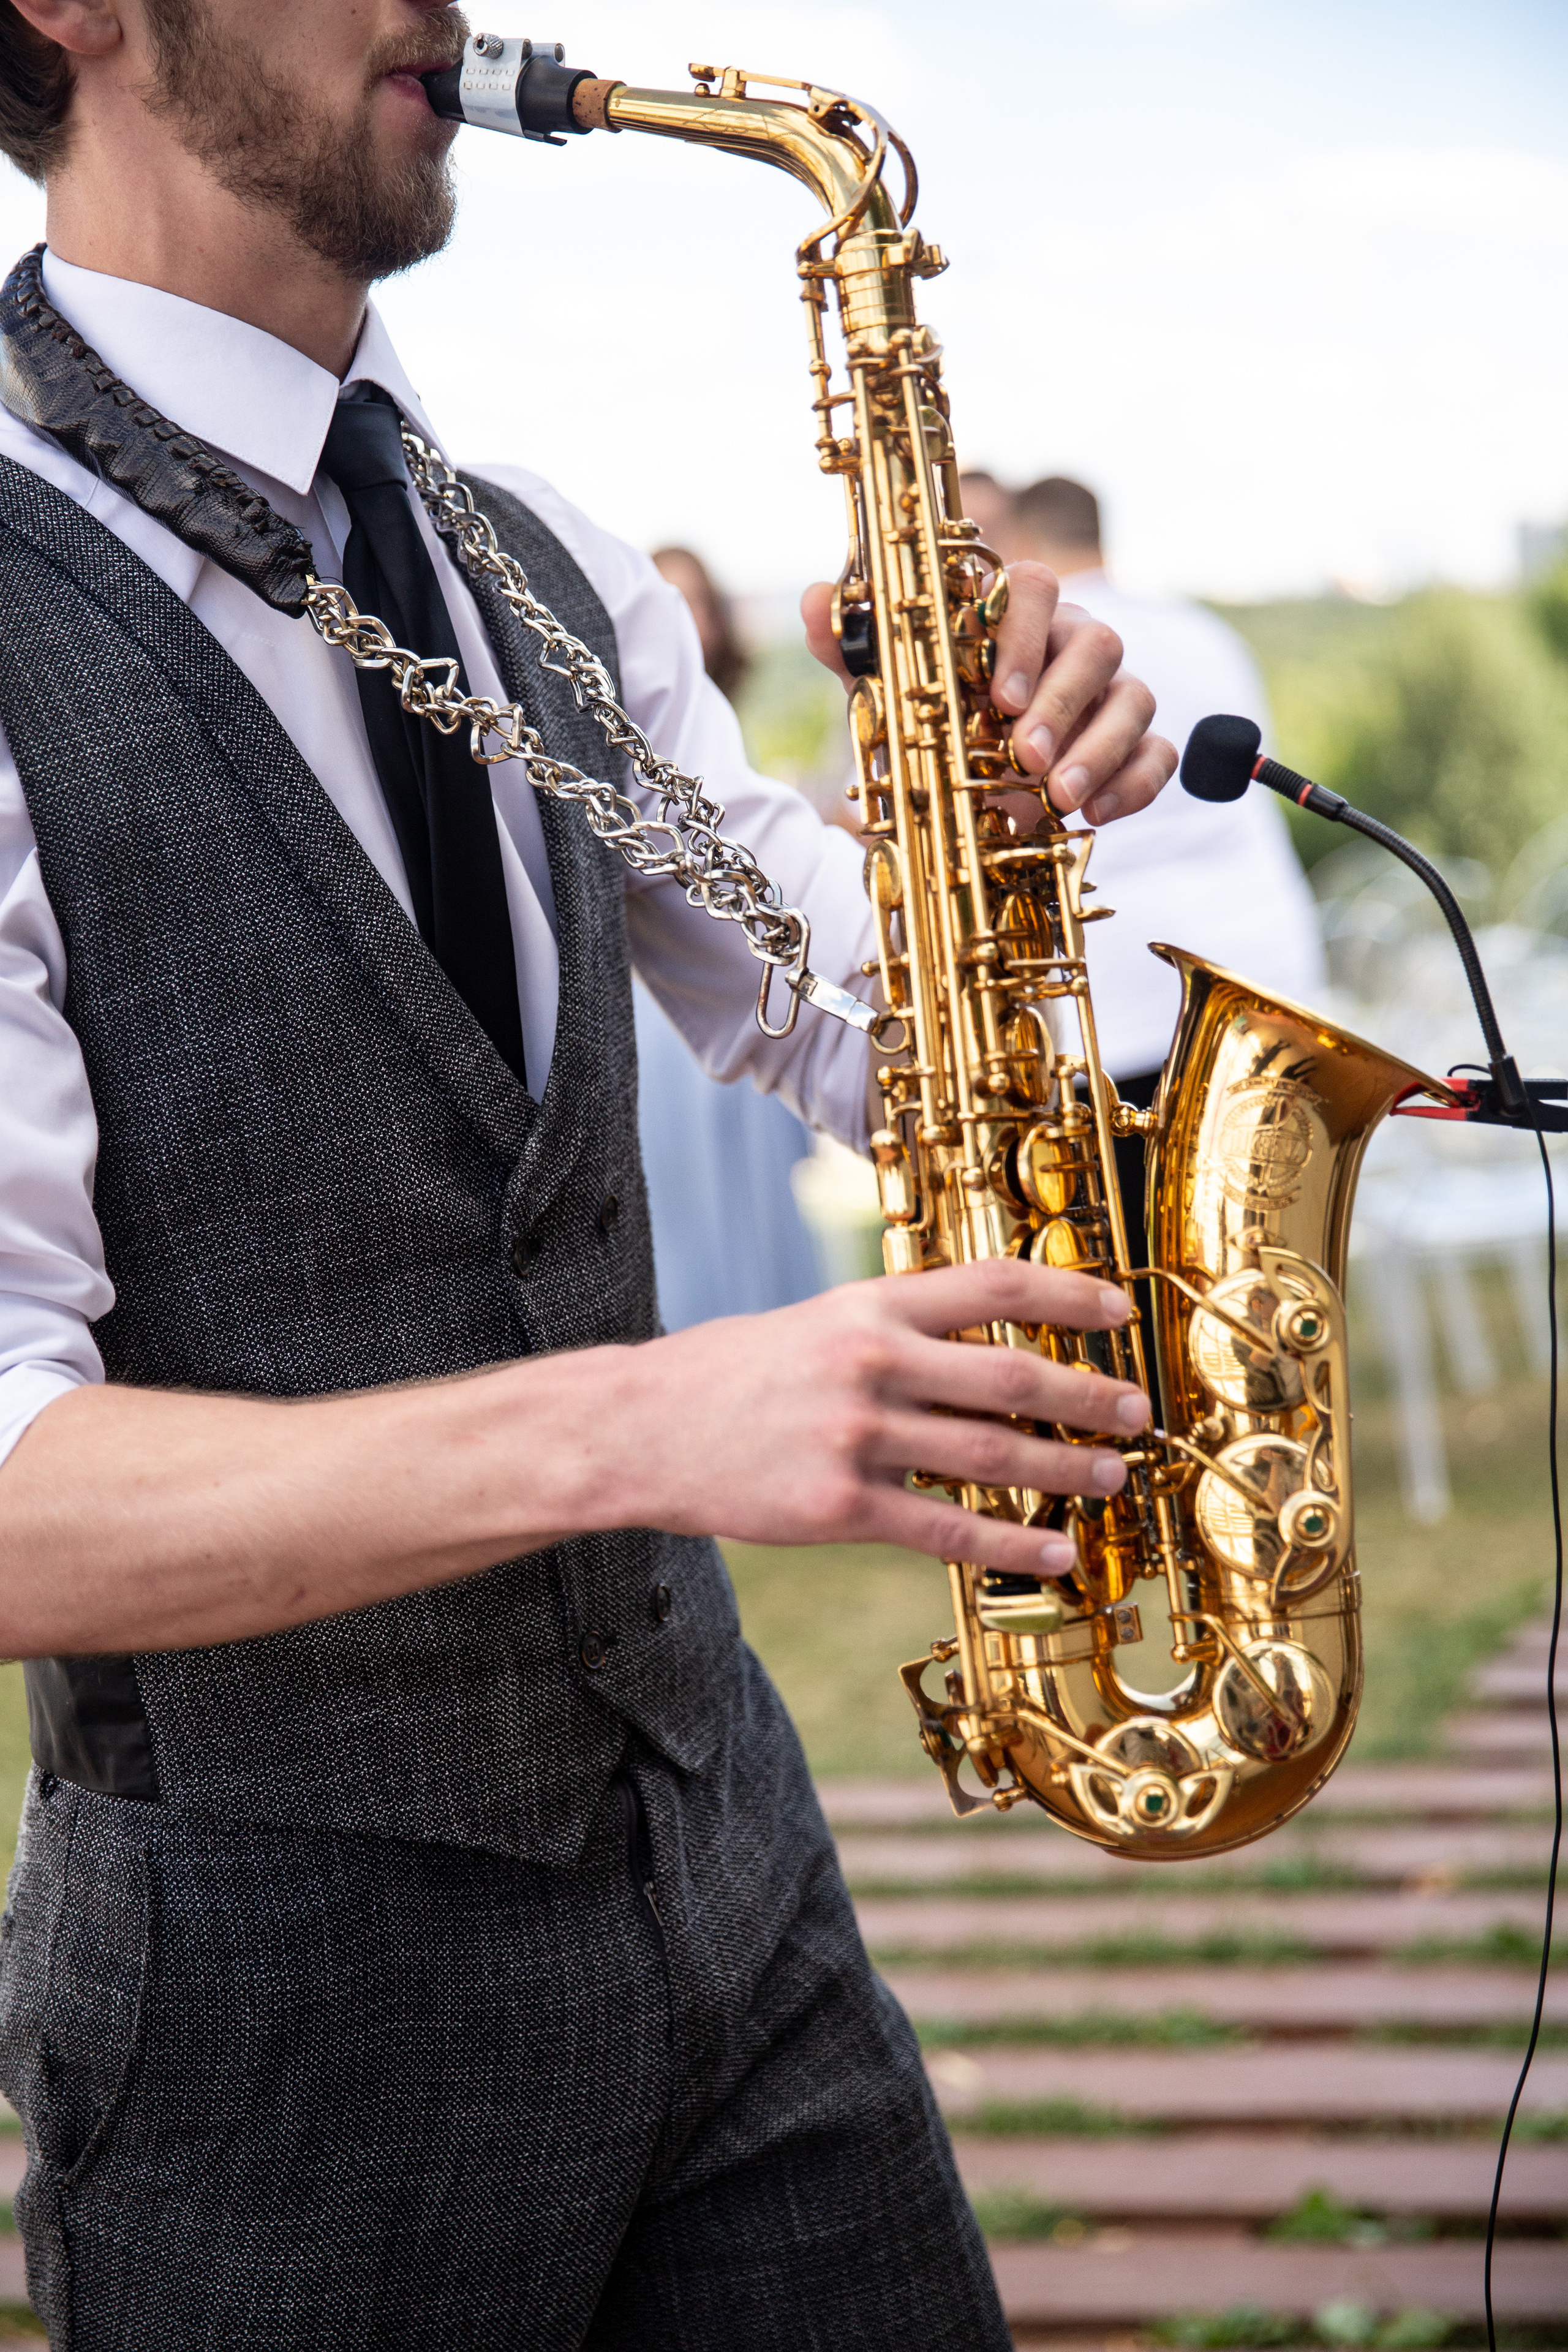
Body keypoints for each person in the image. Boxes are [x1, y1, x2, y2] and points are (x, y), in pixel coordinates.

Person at [0, 6, 1175, 2346]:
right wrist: (655, 1426)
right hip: (284, 2038)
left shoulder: (522, 561)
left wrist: (995, 821)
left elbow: (863, 1030)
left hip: (730, 1885)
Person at [962, 470, 1325, 1287]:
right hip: (1268, 983)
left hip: (1120, 1008)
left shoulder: (1028, 652)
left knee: (1140, 1287)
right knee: (1266, 1282)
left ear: (1023, 543)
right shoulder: (1204, 632)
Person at [636, 548, 820, 1327]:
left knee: (748, 1186)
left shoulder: (735, 729)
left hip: (752, 971)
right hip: (651, 994)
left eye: (693, 602)